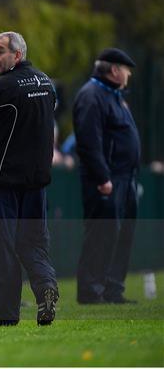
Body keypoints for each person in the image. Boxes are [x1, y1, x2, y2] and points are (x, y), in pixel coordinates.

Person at [0, 31, 58, 326]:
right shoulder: (46, 83)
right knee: (33, 244)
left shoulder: (1, 86)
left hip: (3, 182)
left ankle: (5, 316)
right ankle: (46, 287)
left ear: (16, 55)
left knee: (2, 248)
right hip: (36, 182)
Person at [73, 48, 139, 304]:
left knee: (121, 235)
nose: (128, 75)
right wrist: (103, 178)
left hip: (125, 177)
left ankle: (112, 289)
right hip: (106, 180)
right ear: (114, 71)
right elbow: (89, 142)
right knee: (101, 235)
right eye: (126, 70)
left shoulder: (114, 96)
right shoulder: (92, 96)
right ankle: (91, 291)